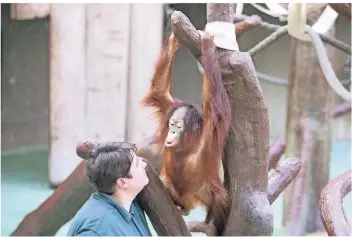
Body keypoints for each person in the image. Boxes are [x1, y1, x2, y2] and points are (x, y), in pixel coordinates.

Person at [67, 142, 152, 236]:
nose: (144, 164)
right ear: (122, 182)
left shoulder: (132, 204)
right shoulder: (96, 228)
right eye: (137, 164)